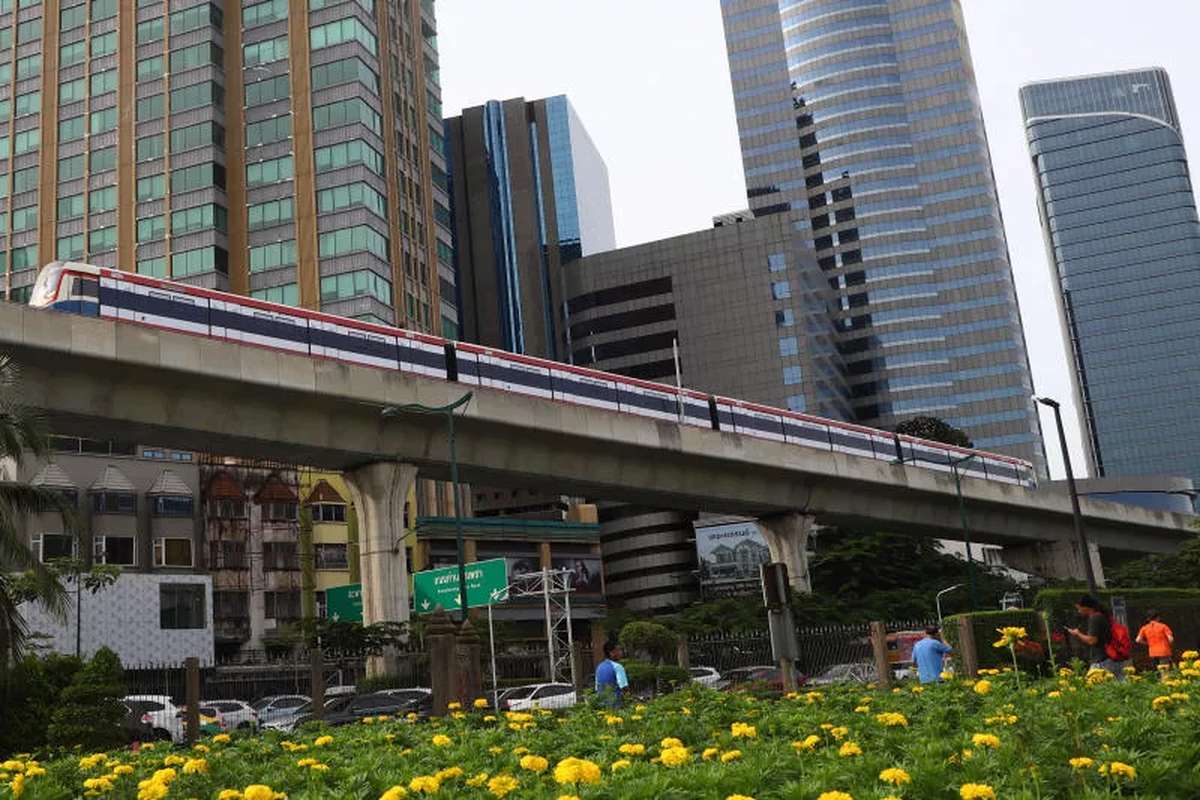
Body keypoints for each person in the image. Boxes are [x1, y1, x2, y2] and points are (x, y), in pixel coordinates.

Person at [1067, 595, 1123, 677]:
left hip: (1102, 661)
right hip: (1111, 659)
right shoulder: (1101, 616)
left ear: (1086, 607)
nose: (1078, 611)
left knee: (1092, 683)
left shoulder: (1095, 618)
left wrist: (1077, 634)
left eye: (1079, 608)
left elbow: (1092, 640)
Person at [594, 642, 625, 706]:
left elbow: (597, 688)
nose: (621, 652)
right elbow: (624, 687)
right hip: (616, 704)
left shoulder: (599, 667)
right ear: (611, 653)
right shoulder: (618, 667)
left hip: (602, 704)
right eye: (618, 650)